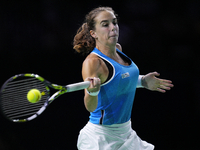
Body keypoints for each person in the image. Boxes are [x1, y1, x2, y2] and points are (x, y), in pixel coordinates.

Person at [73, 7, 174, 150]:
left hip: (126, 133)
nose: (113, 28)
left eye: (114, 22)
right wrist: (93, 92)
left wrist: (143, 81)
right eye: (105, 24)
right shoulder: (93, 62)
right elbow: (90, 107)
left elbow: (119, 80)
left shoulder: (118, 50)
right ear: (93, 33)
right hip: (100, 138)